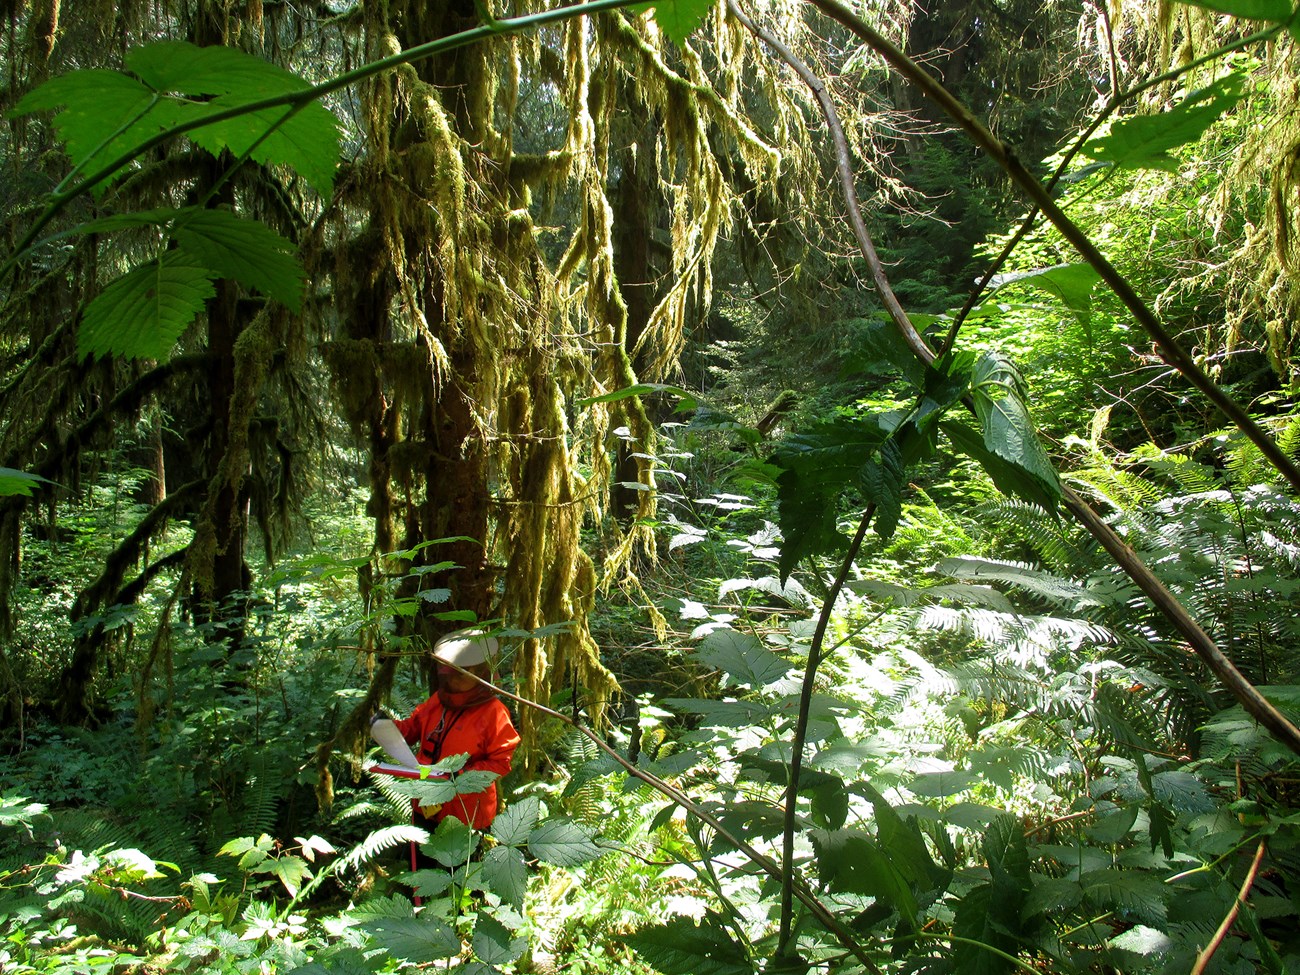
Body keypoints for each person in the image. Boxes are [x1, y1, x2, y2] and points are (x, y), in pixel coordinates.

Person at [388, 629, 520, 831]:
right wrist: (379, 725)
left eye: (461, 672)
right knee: (421, 861)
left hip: (465, 814)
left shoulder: (494, 713)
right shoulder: (438, 701)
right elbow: (410, 730)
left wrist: (460, 776)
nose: (453, 678)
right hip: (425, 805)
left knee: (459, 863)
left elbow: (500, 763)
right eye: (450, 671)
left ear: (480, 672)